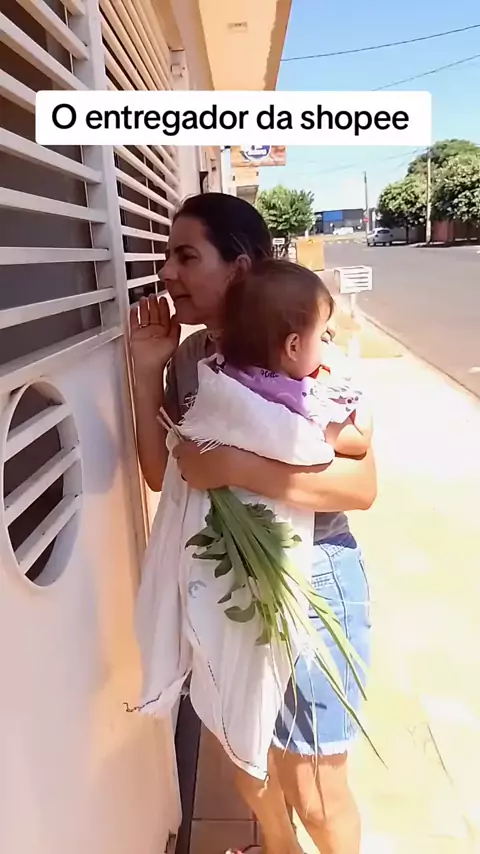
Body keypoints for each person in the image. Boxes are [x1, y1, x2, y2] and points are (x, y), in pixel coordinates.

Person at [130, 193, 376, 854]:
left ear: (239, 267)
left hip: (312, 574)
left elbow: (361, 486)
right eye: (169, 256)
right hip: (229, 578)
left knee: (314, 788)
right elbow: (162, 474)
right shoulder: (189, 359)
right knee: (246, 754)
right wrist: (147, 372)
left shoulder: (306, 348)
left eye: (187, 256)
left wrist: (234, 465)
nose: (167, 272)